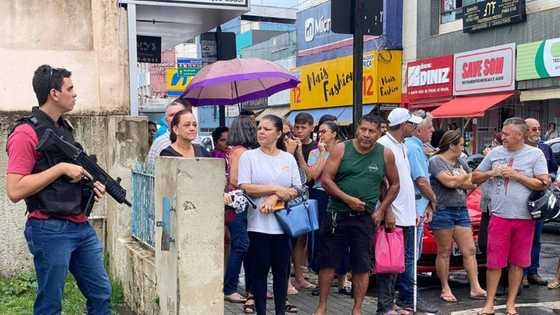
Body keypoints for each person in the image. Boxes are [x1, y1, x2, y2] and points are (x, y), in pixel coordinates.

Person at [6, 65, 111, 314]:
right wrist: (61, 168)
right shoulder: (25, 134)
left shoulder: (64, 129)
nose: (75, 94)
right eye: (70, 88)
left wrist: (89, 185)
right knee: (51, 303)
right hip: (48, 228)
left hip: (80, 226)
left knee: (101, 294)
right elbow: (14, 190)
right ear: (54, 93)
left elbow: (67, 178)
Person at [314, 113, 400, 315]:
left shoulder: (385, 154)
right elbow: (326, 180)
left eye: (372, 131)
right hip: (337, 213)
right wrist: (348, 199)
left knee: (362, 265)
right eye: (363, 129)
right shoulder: (342, 148)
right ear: (357, 129)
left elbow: (394, 185)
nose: (366, 135)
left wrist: (382, 210)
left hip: (366, 218)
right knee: (328, 262)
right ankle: (322, 306)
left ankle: (357, 309)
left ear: (380, 133)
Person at [472, 117, 549, 315]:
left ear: (520, 135)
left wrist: (516, 175)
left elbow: (543, 182)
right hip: (499, 216)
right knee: (494, 262)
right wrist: (492, 172)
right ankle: (489, 304)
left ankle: (510, 304)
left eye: (506, 134)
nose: (502, 137)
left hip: (525, 218)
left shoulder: (536, 154)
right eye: (502, 133)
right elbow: (475, 176)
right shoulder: (496, 153)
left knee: (518, 262)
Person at [238, 115, 302, 315]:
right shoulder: (249, 157)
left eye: (267, 129)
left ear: (279, 133)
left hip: (283, 225)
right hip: (258, 226)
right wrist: (275, 189)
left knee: (281, 273)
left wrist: (275, 198)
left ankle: (281, 311)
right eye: (259, 128)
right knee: (259, 273)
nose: (261, 132)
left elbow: (296, 189)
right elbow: (245, 186)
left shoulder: (287, 158)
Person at [378, 108, 437, 314]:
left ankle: (401, 302)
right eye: (412, 124)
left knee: (403, 262)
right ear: (404, 126)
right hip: (394, 215)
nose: (415, 127)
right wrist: (388, 212)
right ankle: (388, 305)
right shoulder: (384, 145)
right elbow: (383, 183)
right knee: (391, 262)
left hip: (407, 214)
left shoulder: (402, 145)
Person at [428, 130, 486, 303]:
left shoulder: (461, 161)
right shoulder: (436, 161)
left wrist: (462, 178)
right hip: (443, 209)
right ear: (451, 145)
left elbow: (471, 183)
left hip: (460, 209)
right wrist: (463, 178)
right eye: (460, 144)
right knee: (444, 251)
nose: (463, 148)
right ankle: (445, 287)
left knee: (469, 249)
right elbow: (448, 182)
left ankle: (475, 286)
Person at [307, 121, 351, 295]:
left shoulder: (343, 150)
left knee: (342, 236)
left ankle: (342, 281)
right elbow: (313, 175)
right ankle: (321, 280)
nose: (321, 135)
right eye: (319, 132)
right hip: (320, 195)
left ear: (334, 134)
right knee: (321, 237)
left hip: (338, 195)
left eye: (324, 131)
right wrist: (322, 154)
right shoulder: (315, 152)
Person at [223, 116, 258, 308]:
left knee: (242, 245)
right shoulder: (241, 152)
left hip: (237, 204)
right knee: (241, 245)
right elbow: (236, 180)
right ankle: (230, 288)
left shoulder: (234, 150)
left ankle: (246, 288)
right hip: (239, 204)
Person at [522, 118, 557, 287]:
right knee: (522, 239)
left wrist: (549, 177)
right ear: (524, 131)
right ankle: (519, 273)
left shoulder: (545, 148)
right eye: (533, 129)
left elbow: (553, 169)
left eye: (538, 129)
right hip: (520, 200)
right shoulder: (519, 149)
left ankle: (532, 271)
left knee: (536, 238)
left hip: (539, 200)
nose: (537, 133)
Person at [288, 112, 318, 291]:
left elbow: (310, 177)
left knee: (302, 239)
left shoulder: (314, 149)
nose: (299, 131)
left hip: (307, 197)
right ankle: (289, 278)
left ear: (311, 128)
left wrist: (299, 154)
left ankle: (299, 276)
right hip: (290, 197)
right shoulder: (287, 145)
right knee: (289, 240)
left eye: (303, 127)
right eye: (297, 127)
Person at [404, 110, 436, 260]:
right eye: (430, 127)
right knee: (412, 255)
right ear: (418, 130)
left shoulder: (412, 146)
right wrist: (434, 200)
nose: (433, 130)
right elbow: (421, 181)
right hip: (415, 208)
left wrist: (429, 203)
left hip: (417, 206)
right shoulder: (414, 148)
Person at [146, 100, 186, 167]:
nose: (175, 118)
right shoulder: (158, 143)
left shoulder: (196, 140)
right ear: (166, 119)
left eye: (179, 114)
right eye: (172, 115)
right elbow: (151, 171)